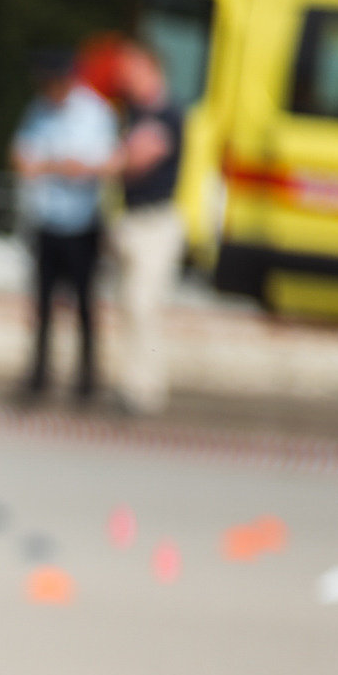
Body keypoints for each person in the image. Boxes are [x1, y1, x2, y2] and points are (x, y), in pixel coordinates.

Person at [10, 48, 118, 406]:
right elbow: (23, 155)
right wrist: (55, 166)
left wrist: (60, 167)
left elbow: (104, 163)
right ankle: (40, 375)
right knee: (42, 303)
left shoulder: (95, 112)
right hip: (47, 217)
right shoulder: (38, 110)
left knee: (85, 303)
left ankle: (86, 379)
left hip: (82, 220)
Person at [111, 43, 184, 416]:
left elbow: (134, 159)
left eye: (132, 69)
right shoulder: (134, 113)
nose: (126, 78)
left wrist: (100, 159)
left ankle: (148, 388)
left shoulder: (168, 114)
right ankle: (131, 381)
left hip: (157, 222)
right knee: (129, 307)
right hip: (133, 219)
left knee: (145, 306)